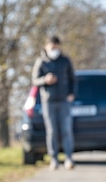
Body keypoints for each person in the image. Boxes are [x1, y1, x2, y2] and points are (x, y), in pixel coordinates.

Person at [31, 36, 75, 170]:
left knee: (66, 130)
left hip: (63, 101)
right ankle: (54, 159)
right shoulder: (41, 62)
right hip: (48, 101)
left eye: (57, 47)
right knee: (52, 131)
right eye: (52, 47)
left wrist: (72, 94)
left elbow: (73, 79)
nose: (54, 50)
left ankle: (69, 158)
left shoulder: (65, 61)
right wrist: (45, 80)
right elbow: (34, 80)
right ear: (46, 46)